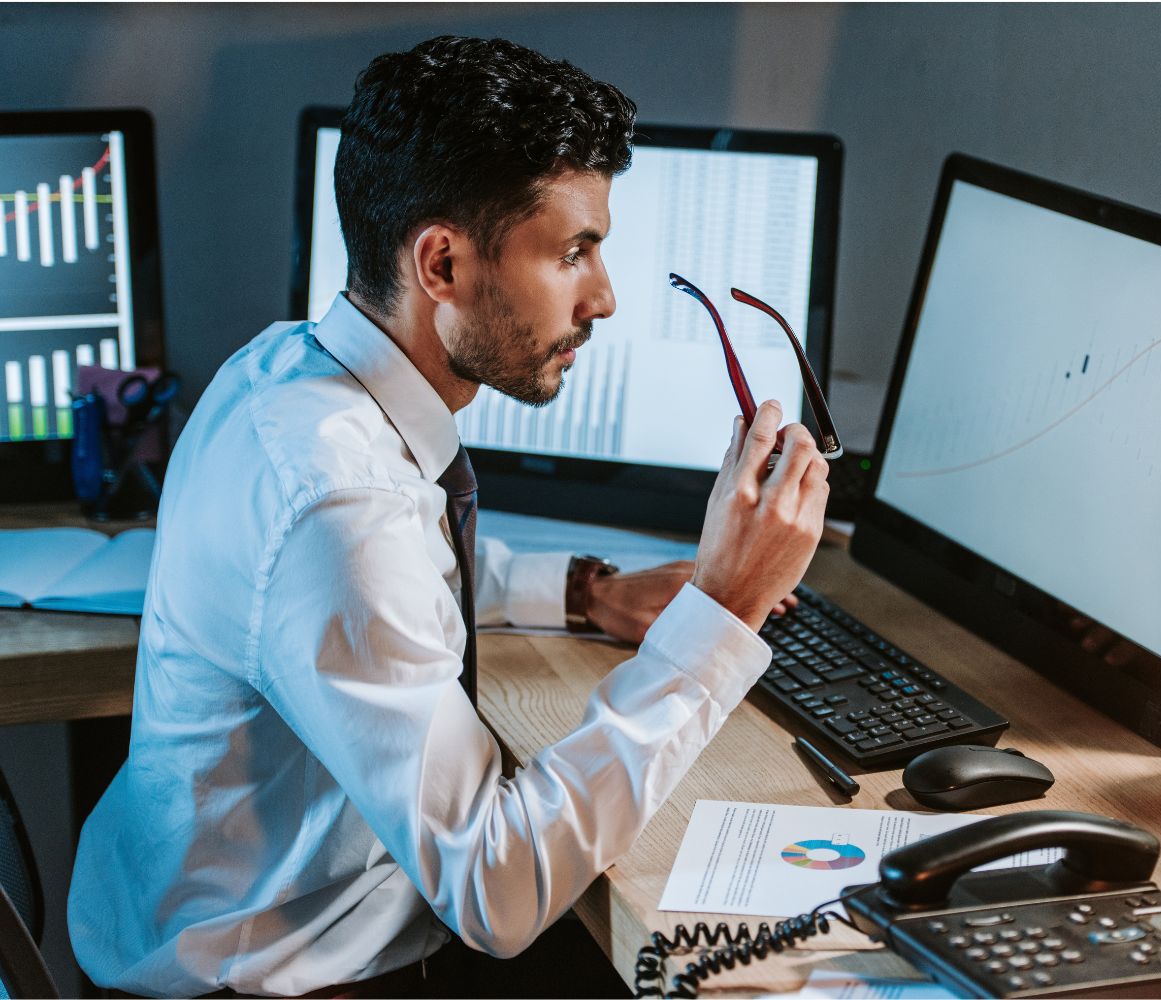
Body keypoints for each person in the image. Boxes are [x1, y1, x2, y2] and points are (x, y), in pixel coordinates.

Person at [68, 35, 829, 998]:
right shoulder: (336, 504)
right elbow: (496, 893)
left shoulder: (286, 370)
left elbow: (387, 571)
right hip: (275, 982)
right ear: (442, 263)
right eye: (573, 251)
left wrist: (585, 590)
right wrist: (721, 609)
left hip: (244, 928)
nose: (604, 297)